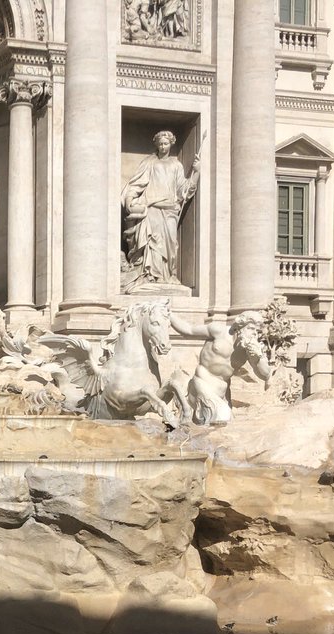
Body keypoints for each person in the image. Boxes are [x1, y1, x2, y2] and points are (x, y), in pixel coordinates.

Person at [121, 129, 203, 292]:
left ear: (171, 144)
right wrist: (130, 199)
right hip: (152, 209)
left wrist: (197, 172)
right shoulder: (149, 162)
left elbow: (184, 191)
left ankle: (167, 275)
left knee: (171, 245)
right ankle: (151, 275)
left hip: (170, 210)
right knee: (153, 243)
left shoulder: (176, 165)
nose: (163, 147)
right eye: (160, 144)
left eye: (166, 144)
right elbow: (136, 184)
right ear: (156, 145)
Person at [169, 310, 272, 425]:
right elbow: (189, 330)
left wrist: (257, 358)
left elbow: (265, 374)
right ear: (239, 326)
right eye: (251, 328)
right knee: (222, 416)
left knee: (217, 430)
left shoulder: (251, 350)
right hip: (201, 384)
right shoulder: (219, 331)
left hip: (222, 393)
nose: (254, 334)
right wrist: (169, 315)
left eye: (257, 331)